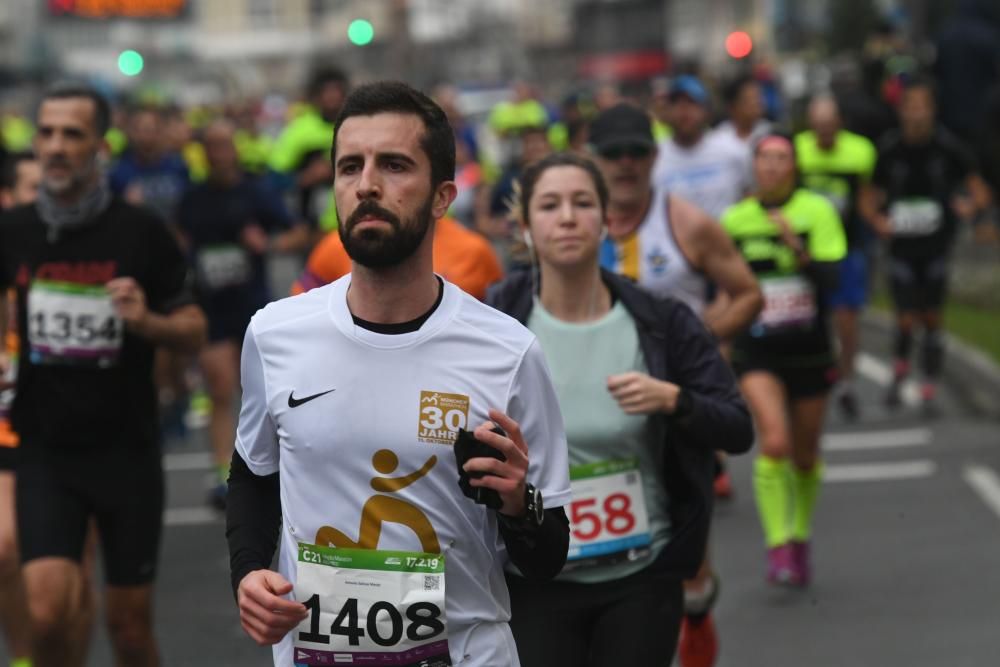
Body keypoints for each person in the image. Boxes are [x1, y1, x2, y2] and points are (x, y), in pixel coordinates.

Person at [225, 81, 572, 667]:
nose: (366, 185)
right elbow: (255, 475)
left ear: (442, 197)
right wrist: (250, 575)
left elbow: (548, 555)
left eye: (393, 165)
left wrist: (520, 505)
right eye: (349, 167)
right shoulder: (274, 333)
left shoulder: (508, 351)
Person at [486, 152, 753, 666]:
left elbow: (737, 427)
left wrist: (674, 400)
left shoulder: (661, 321)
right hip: (534, 578)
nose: (567, 217)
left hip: (641, 575)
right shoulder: (494, 323)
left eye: (583, 203)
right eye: (550, 205)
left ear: (608, 222)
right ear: (524, 227)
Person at [0, 82, 207, 667]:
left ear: (100, 146)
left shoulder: (140, 231)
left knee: (130, 630)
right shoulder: (13, 230)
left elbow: (192, 327)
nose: (56, 146)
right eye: (46, 133)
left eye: (72, 134)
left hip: (127, 452)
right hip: (46, 452)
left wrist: (147, 321)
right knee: (44, 613)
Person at [589, 102, 762, 667]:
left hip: (671, 413)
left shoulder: (685, 222)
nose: (624, 165)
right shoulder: (565, 226)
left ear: (654, 156)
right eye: (612, 154)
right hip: (589, 411)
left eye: (636, 152)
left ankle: (697, 615)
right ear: (594, 159)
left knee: (689, 561)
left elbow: (748, 294)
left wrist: (693, 348)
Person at [720, 132, 846, 586]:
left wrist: (800, 250)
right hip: (759, 350)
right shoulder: (734, 221)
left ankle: (800, 535)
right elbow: (723, 286)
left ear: (794, 166)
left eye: (781, 159)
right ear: (754, 167)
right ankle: (777, 547)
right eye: (765, 159)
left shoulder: (818, 211)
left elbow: (834, 278)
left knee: (805, 457)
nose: (772, 167)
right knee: (774, 443)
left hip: (810, 350)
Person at [176, 119, 309, 510]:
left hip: (254, 306)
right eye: (211, 146)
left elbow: (297, 232)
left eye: (224, 145)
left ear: (235, 149)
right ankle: (224, 474)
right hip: (211, 306)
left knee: (264, 393)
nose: (218, 154)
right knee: (219, 388)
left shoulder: (255, 192)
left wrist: (266, 242)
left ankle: (270, 469)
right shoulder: (192, 198)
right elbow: (178, 239)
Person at [860, 78, 992, 414]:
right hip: (902, 249)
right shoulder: (889, 151)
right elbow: (868, 198)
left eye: (923, 106)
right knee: (905, 319)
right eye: (910, 106)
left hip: (936, 247)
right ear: (901, 110)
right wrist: (879, 222)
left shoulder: (948, 148)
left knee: (932, 318)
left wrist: (969, 207)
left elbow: (979, 191)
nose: (917, 114)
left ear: (933, 110)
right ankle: (901, 371)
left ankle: (930, 385)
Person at [795, 95, 878, 419]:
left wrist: (878, 223)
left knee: (846, 318)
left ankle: (846, 383)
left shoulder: (860, 152)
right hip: (806, 251)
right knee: (809, 319)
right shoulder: (798, 151)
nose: (824, 133)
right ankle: (810, 377)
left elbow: (868, 197)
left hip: (849, 247)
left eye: (829, 126)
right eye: (819, 127)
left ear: (840, 123)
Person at [0, 151, 40, 667]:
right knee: (7, 550)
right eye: (30, 189)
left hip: (57, 421)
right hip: (8, 420)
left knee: (67, 574)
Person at [290, 213, 503, 300]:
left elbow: (495, 327)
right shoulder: (337, 245)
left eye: (396, 167)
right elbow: (299, 315)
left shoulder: (474, 250)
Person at [650, 79, 753, 220]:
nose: (684, 111)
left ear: (706, 110)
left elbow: (751, 196)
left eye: (692, 103)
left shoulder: (733, 150)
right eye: (676, 104)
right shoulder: (653, 156)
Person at [268, 66, 349, 233]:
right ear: (316, 96)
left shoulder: (357, 127)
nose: (332, 97)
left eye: (336, 90)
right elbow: (273, 178)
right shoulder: (299, 130)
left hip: (352, 225)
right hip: (313, 229)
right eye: (326, 91)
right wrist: (304, 178)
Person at [714, 75, 772, 149]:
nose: (756, 102)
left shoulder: (769, 133)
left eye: (758, 96)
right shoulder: (719, 137)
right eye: (749, 99)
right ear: (732, 107)